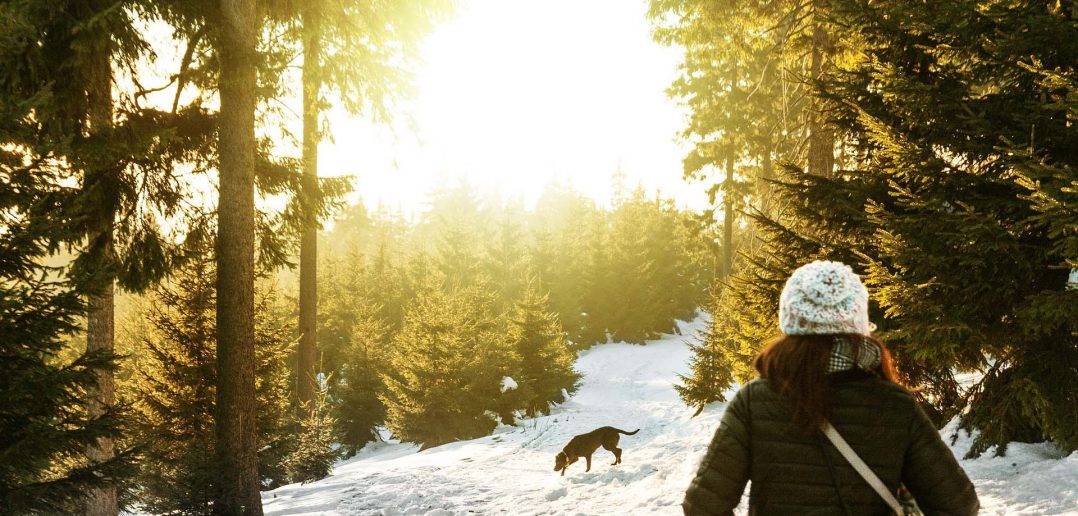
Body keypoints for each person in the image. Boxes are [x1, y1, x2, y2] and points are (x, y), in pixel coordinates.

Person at [683, 260, 978, 515]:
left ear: (790, 320)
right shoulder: (896, 404)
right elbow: (958, 506)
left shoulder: (754, 401)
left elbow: (702, 505)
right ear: (857, 321)